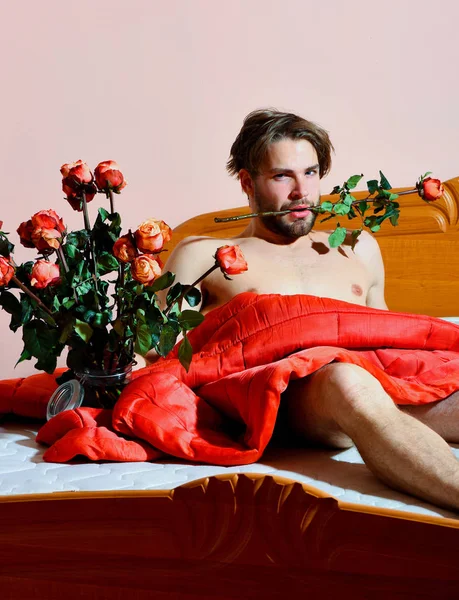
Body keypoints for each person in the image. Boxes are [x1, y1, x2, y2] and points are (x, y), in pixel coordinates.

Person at [155, 108, 459, 511]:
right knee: (345, 381)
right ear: (247, 182)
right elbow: (163, 356)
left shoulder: (358, 247)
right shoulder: (203, 256)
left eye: (311, 174)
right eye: (283, 176)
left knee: (370, 381)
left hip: (372, 384)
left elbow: (391, 340)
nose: (302, 192)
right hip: (286, 394)